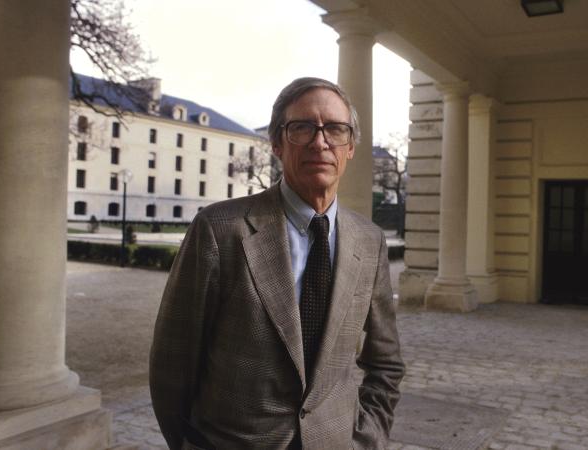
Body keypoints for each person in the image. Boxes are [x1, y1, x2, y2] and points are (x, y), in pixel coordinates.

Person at [150, 77, 405, 450]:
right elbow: (172, 367)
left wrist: (368, 439)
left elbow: (385, 363)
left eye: (335, 129)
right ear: (276, 143)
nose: (320, 141)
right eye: (302, 127)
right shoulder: (220, 230)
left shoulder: (370, 241)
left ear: (350, 147)